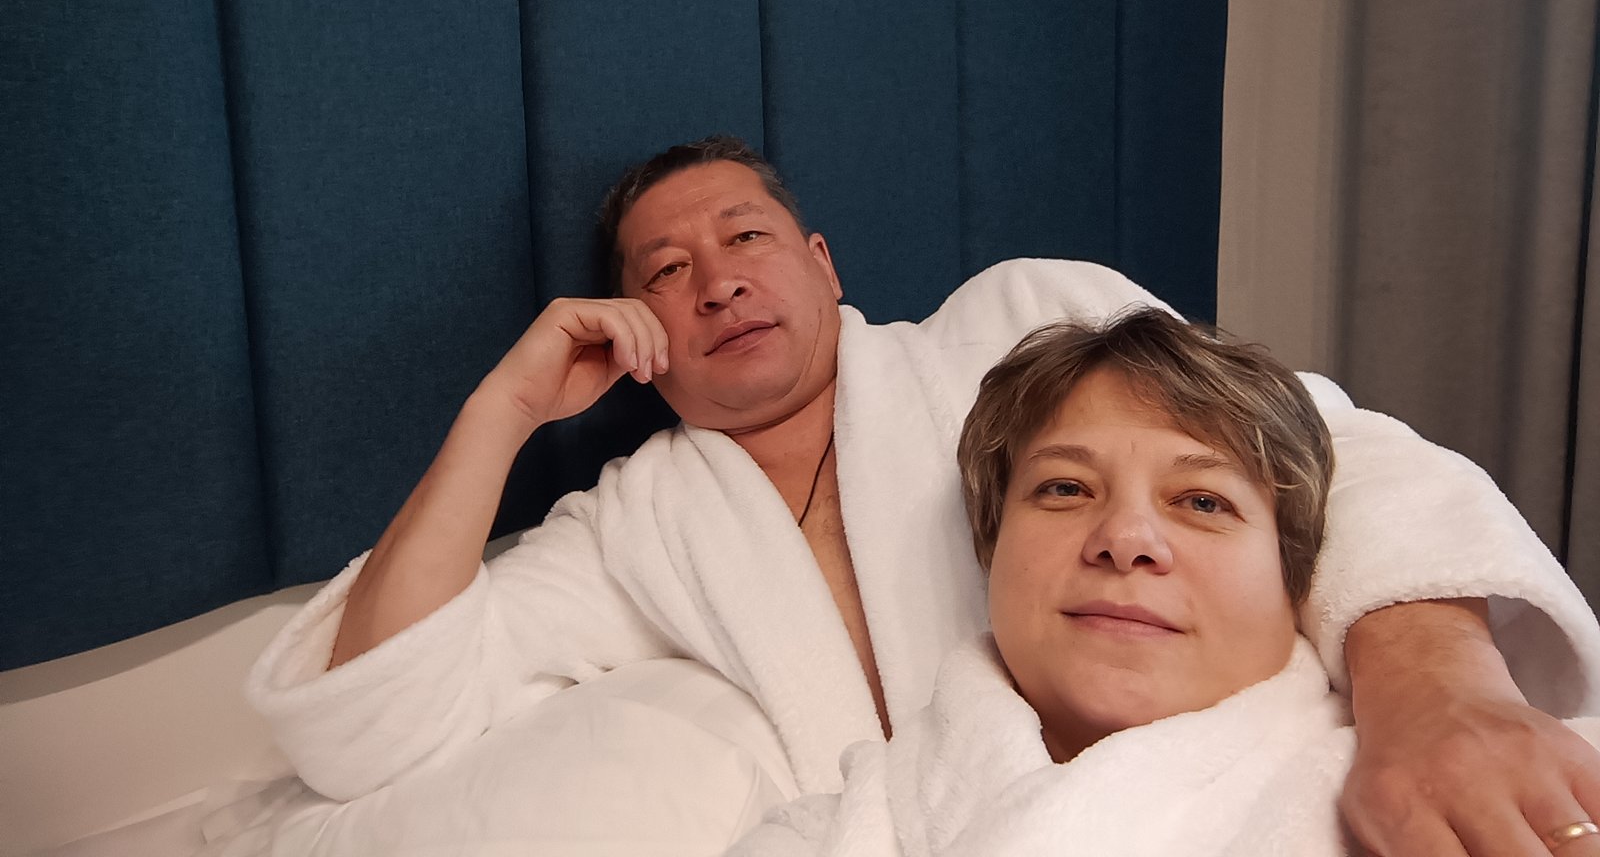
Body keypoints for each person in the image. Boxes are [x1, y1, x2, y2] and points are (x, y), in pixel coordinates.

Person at [249, 136, 1600, 856]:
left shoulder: (1022, 321)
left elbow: (1328, 453)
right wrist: (501, 413)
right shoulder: (637, 526)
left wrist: (1437, 696)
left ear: (822, 263)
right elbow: (373, 720)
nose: (716, 279)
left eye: (745, 236)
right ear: (639, 331)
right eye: (664, 271)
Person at [730, 310, 1600, 856]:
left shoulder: (1521, 799)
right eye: (1065, 489)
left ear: (1294, 573)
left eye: (1202, 502)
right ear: (993, 546)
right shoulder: (837, 829)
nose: (1125, 540)